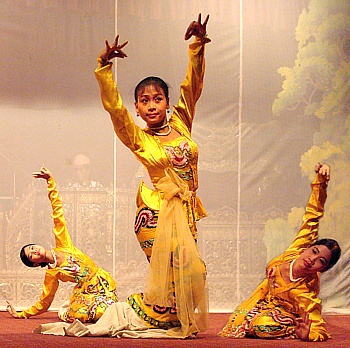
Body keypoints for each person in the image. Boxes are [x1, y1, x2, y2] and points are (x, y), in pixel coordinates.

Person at [94, 14, 210, 338]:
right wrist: (104, 69)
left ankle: (169, 317)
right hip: (155, 212)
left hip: (186, 210)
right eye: (144, 101)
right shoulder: (139, 138)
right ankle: (161, 316)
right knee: (177, 272)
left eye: (157, 98)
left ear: (168, 103)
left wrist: (198, 46)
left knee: (191, 273)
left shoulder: (182, 123)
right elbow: (115, 111)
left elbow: (193, 86)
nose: (152, 105)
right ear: (137, 107)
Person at [219, 162, 341, 342]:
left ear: (321, 270)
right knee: (241, 322)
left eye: (321, 261)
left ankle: (291, 327)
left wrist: (308, 335)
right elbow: (312, 216)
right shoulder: (295, 251)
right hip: (262, 301)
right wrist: (321, 183)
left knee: (263, 326)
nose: (311, 259)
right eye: (314, 251)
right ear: (307, 247)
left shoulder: (304, 293)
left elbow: (319, 328)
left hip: (283, 313)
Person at [6, 166, 118, 323]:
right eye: (31, 256)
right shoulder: (52, 275)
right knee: (89, 316)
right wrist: (21, 314)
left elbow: (57, 213)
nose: (35, 252)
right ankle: (68, 311)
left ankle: (73, 308)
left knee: (109, 312)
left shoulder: (63, 243)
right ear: (35, 263)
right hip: (84, 293)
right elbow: (44, 303)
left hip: (100, 283)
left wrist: (50, 182)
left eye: (32, 248)